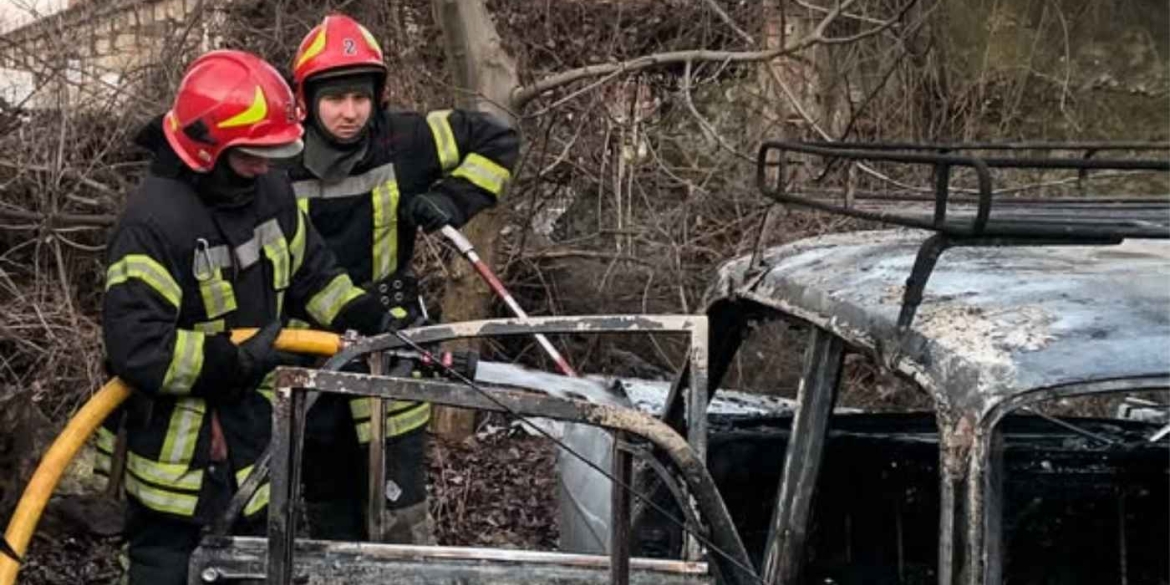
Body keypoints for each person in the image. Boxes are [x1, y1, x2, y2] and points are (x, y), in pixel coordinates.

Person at [99, 49, 394, 585]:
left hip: (253, 440)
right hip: (178, 464)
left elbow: (312, 272)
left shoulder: (269, 193)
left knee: (251, 566)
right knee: (169, 570)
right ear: (206, 150)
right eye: (251, 155)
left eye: (272, 153)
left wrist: (363, 313)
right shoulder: (152, 224)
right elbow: (137, 347)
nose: (266, 165)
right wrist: (235, 357)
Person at [285, 14, 520, 544]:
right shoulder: (281, 160)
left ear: (378, 96)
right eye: (335, 99)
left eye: (360, 98)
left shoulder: (406, 139)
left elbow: (498, 140)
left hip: (392, 340)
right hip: (308, 348)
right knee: (326, 505)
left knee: (400, 510)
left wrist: (451, 199)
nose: (349, 113)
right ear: (306, 99)